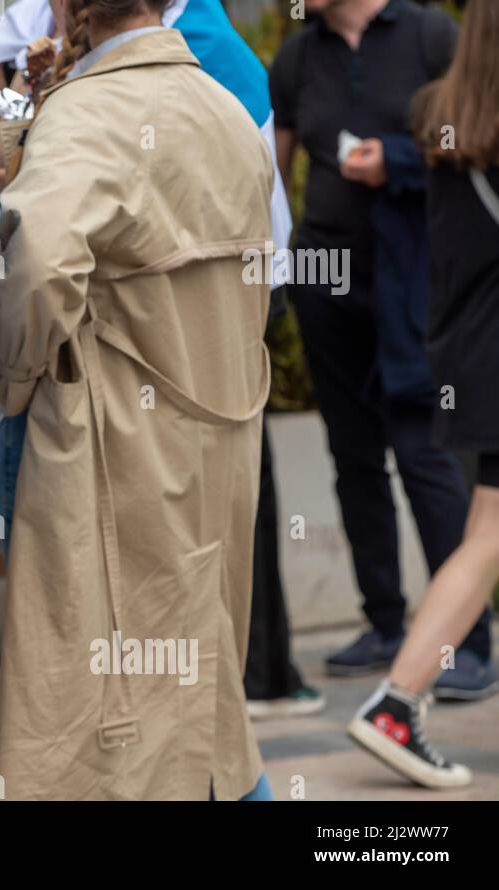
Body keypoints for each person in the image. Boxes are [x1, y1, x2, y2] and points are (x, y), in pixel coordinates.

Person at [0, 0, 274, 799]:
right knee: (201, 697)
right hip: (212, 440)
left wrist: (11, 378)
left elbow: (36, 267)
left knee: (95, 724)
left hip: (105, 443)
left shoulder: (91, 113)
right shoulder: (226, 103)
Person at [271, 0, 493, 698]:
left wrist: (392, 159)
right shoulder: (299, 56)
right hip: (326, 277)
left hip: (413, 280)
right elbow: (273, 169)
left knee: (425, 452)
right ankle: (386, 621)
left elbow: (470, 134)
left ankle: (468, 643)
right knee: (352, 453)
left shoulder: (430, 34)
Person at [348, 0, 499, 789]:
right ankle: (397, 700)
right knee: (489, 535)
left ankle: (398, 700)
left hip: (467, 347)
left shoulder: (444, 111)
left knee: (488, 529)